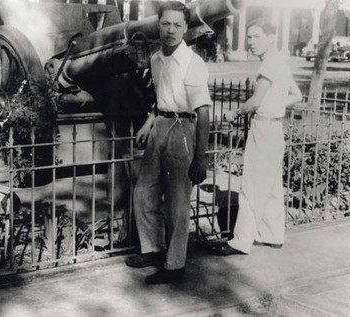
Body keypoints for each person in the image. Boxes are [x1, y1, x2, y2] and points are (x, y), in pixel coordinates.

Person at [125, 1, 211, 284]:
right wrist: (150, 123)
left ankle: (175, 265)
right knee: (144, 193)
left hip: (183, 130)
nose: (171, 30)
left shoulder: (192, 63)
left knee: (177, 202)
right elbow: (161, 99)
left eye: (177, 25)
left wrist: (200, 157)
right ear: (158, 26)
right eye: (165, 24)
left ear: (186, 28)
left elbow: (203, 112)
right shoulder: (156, 58)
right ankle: (153, 249)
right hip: (160, 126)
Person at [213, 19, 302, 256]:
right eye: (249, 37)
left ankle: (239, 242)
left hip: (263, 130)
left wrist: (234, 112)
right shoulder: (279, 62)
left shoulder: (269, 65)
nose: (251, 42)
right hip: (274, 129)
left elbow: (255, 101)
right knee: (271, 185)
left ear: (271, 37)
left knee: (251, 186)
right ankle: (272, 235)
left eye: (256, 37)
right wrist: (275, 107)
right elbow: (296, 95)